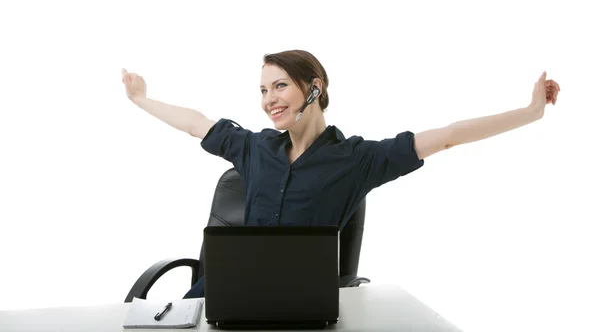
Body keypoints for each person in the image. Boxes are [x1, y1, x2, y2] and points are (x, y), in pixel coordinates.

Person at [122, 49, 561, 298]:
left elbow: (447, 136)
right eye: (262, 89)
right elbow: (196, 123)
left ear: (314, 86)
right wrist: (142, 99)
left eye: (280, 86)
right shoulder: (255, 147)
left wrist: (530, 112)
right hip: (225, 290)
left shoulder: (356, 160)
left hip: (298, 303)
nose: (268, 99)